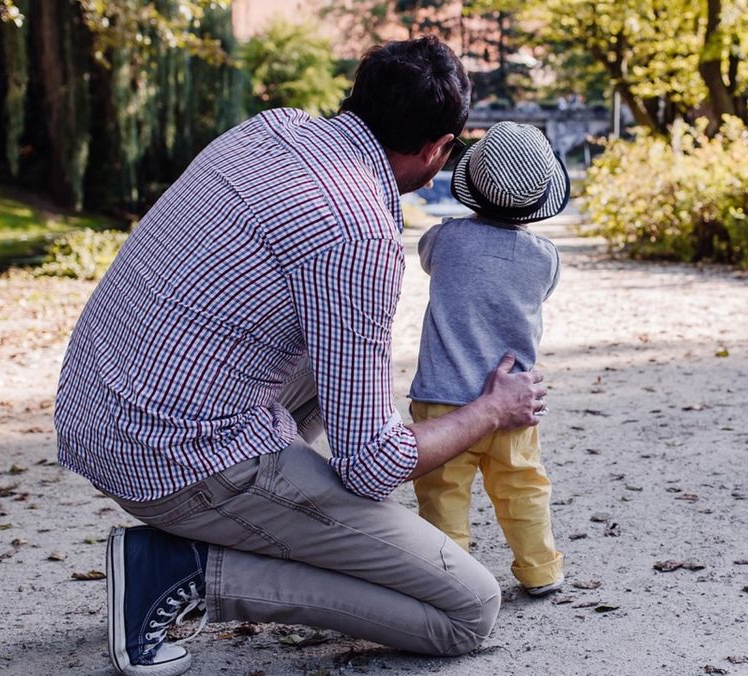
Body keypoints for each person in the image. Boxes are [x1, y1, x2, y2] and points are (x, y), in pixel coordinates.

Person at [52, 36, 548, 676]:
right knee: (467, 609)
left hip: (96, 408)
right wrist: (489, 411)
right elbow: (374, 464)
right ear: (435, 148)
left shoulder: (271, 127)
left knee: (338, 356)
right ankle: (185, 570)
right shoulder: (359, 229)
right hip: (173, 457)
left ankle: (282, 519)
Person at [408, 122, 568, 597]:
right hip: (514, 403)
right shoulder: (545, 258)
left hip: (443, 404)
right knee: (523, 487)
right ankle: (540, 569)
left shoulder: (445, 240)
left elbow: (425, 258)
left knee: (443, 496)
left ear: (471, 185)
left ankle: (451, 581)